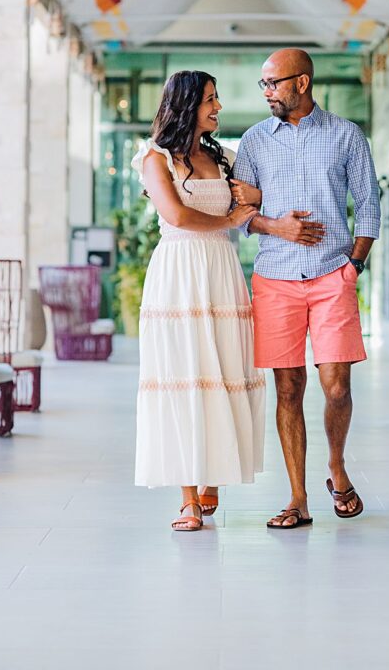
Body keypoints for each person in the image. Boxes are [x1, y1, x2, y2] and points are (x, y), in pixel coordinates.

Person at [230, 49, 380, 529]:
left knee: (336, 387)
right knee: (288, 388)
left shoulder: (346, 135)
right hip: (275, 279)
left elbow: (369, 205)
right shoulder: (254, 140)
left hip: (332, 275)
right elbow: (239, 214)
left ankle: (335, 466)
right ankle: (298, 497)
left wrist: (353, 265)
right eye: (263, 84)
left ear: (302, 82)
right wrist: (278, 228)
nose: (267, 91)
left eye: (273, 83)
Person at [132, 70, 265, 531]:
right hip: (178, 273)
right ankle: (188, 498)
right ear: (188, 104)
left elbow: (254, 203)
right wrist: (231, 220)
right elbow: (177, 215)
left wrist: (256, 209)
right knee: (183, 374)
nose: (219, 107)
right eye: (211, 99)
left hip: (222, 273)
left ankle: (212, 476)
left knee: (223, 371)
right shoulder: (156, 157)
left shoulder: (224, 158)